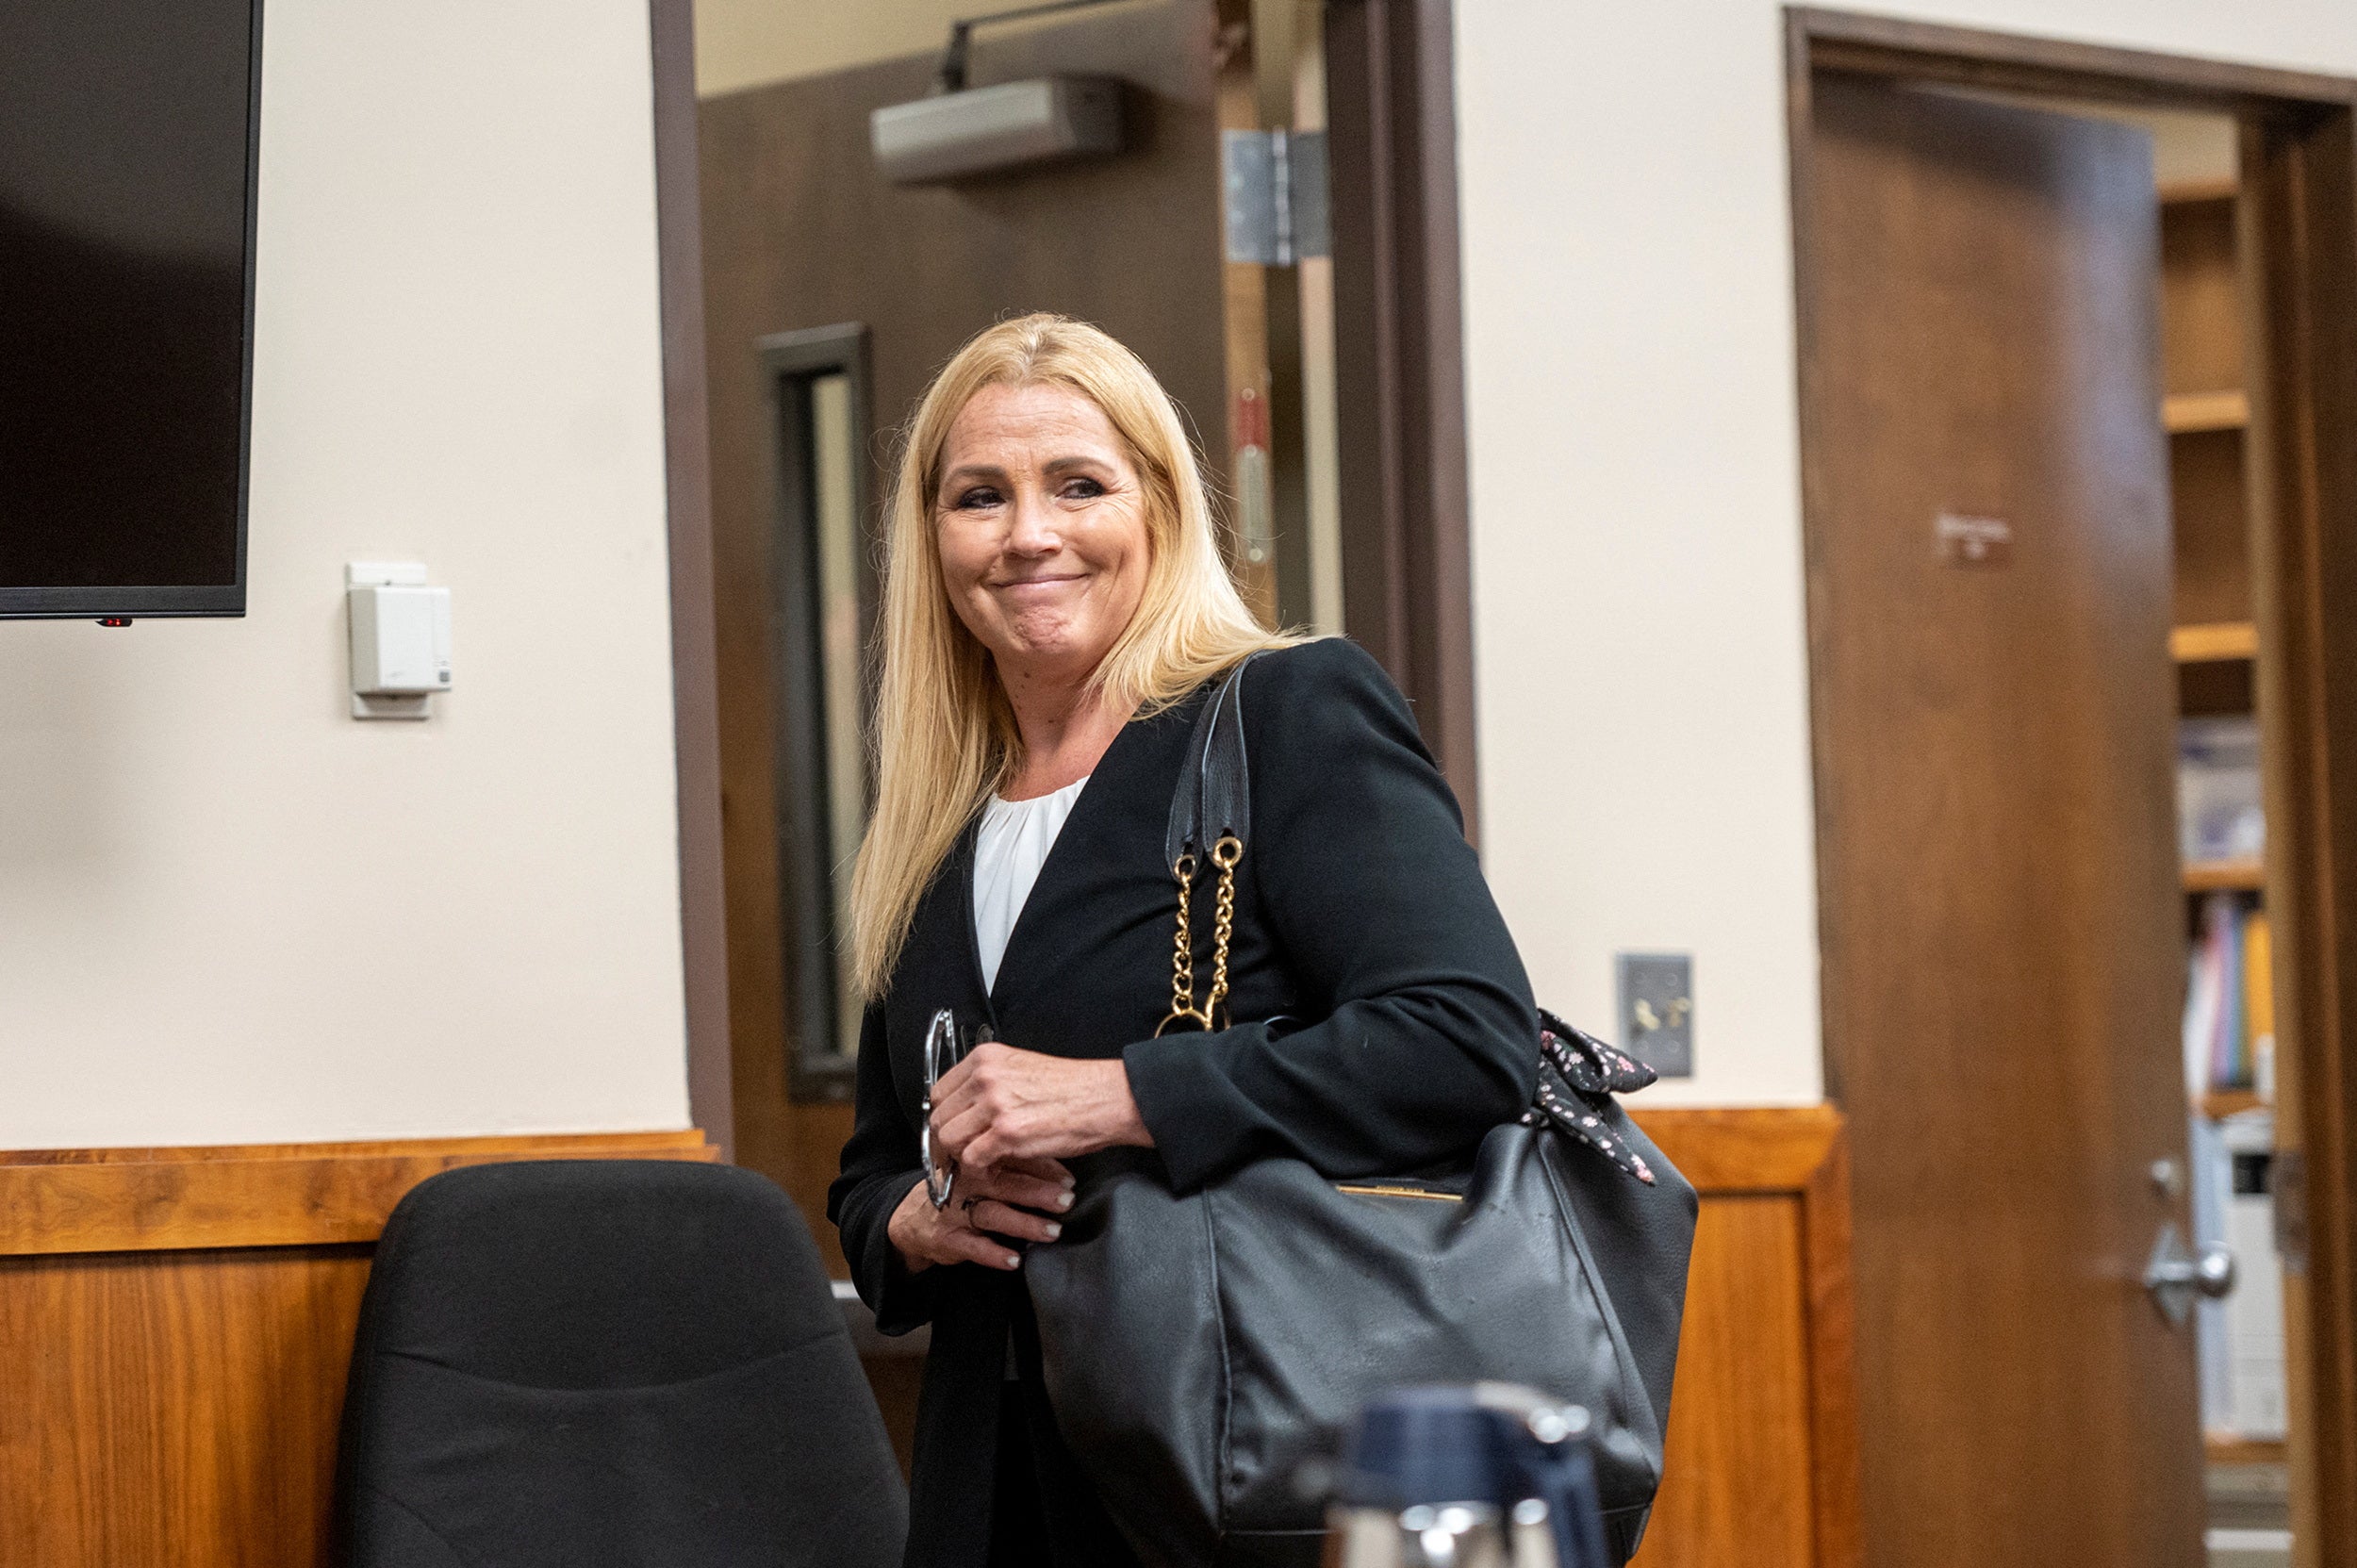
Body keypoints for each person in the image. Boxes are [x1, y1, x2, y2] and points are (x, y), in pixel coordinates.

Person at [828, 314, 1539, 1567]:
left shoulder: (1285, 712)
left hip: (1238, 1460)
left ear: (1157, 509)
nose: (1029, 534)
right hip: (992, 1479)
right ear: (931, 540)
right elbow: (878, 1167)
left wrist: (1116, 1098)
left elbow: (1466, 1041)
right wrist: (913, 1225)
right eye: (978, 496)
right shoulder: (933, 819)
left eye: (1079, 486)